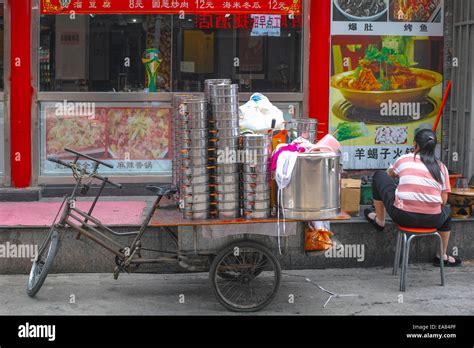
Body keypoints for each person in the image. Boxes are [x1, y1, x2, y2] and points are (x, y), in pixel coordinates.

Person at [364, 129, 462, 267]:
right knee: (446, 212)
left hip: (403, 216)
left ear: (415, 144)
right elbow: (444, 201)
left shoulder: (405, 159)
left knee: (379, 175)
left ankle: (380, 220)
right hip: (432, 220)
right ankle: (441, 256)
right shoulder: (442, 168)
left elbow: (388, 175)